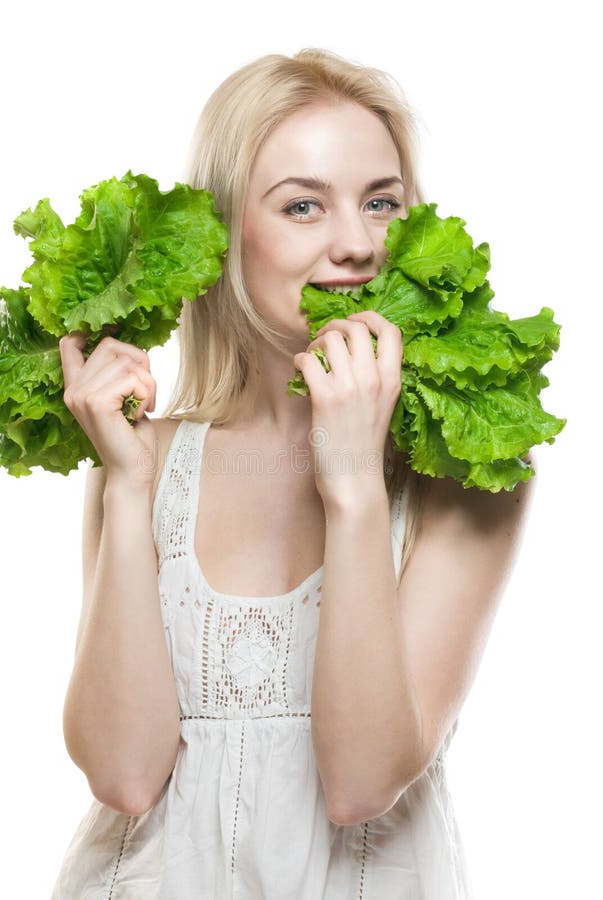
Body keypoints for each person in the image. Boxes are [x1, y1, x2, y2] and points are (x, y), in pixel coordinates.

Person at [51, 48, 532, 899]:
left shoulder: (471, 469)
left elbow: (359, 785)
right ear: (222, 236)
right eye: (302, 206)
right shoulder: (147, 457)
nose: (356, 245)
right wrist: (126, 489)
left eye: (381, 202)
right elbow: (124, 779)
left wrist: (351, 487)